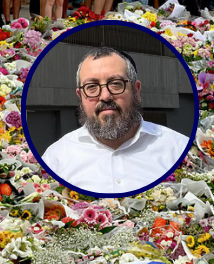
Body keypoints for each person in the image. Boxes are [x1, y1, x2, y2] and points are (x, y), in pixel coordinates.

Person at [42, 46, 189, 193]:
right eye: (91, 86)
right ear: (80, 96)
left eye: (116, 83)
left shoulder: (179, 149)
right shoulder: (55, 159)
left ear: (136, 90)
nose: (105, 96)